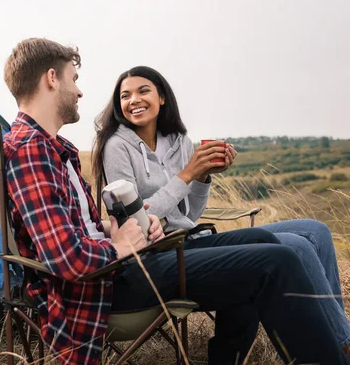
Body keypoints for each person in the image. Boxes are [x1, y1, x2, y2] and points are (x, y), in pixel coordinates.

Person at [3, 38, 348, 364]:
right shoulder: (31, 150)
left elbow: (83, 229)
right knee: (278, 261)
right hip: (108, 283)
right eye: (73, 79)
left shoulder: (51, 148)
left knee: (263, 240)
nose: (79, 90)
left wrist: (131, 227)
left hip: (125, 264)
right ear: (51, 79)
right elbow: (68, 258)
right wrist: (121, 247)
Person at [94, 65, 350, 359]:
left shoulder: (179, 142)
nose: (133, 100)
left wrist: (203, 177)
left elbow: (189, 215)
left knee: (316, 230)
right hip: (161, 249)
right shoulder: (117, 146)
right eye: (125, 96)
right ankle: (341, 346)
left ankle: (340, 336)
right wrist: (188, 174)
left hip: (189, 236)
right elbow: (136, 216)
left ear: (162, 97)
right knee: (297, 245)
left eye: (142, 91)